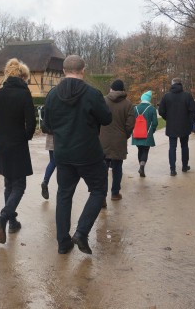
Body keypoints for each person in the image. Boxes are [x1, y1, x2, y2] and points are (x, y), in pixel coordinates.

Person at [44, 55, 112, 255]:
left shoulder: (52, 95)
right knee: (98, 191)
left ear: (64, 71)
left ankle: (63, 243)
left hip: (63, 154)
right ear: (83, 69)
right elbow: (106, 119)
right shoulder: (92, 94)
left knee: (64, 195)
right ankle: (81, 232)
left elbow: (47, 125)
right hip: (89, 153)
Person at [0, 58, 36, 244]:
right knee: (19, 185)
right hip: (17, 144)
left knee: (9, 184)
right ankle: (4, 217)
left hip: (1, 145)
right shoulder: (24, 94)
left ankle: (12, 222)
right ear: (22, 77)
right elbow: (31, 123)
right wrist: (25, 137)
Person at [99, 79, 135, 201]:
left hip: (103, 139)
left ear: (111, 89)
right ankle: (115, 193)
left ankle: (101, 196)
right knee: (117, 168)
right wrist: (125, 135)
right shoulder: (128, 104)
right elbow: (130, 124)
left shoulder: (103, 101)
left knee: (103, 169)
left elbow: (96, 118)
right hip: (119, 140)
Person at [158, 77, 195, 176]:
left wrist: (168, 118)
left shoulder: (166, 96)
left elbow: (161, 111)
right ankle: (184, 166)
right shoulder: (187, 96)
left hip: (172, 125)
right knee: (184, 146)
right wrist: (189, 121)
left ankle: (172, 169)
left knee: (172, 147)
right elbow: (193, 110)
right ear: (180, 84)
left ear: (172, 84)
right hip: (184, 125)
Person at [132, 90, 159, 177]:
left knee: (140, 149)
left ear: (142, 98)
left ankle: (141, 165)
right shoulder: (152, 109)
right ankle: (142, 166)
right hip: (147, 134)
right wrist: (152, 131)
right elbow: (155, 123)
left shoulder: (135, 108)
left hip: (136, 133)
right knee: (145, 150)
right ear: (149, 99)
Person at [41, 133, 55, 200]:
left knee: (52, 161)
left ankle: (45, 181)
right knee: (63, 164)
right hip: (61, 137)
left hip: (50, 137)